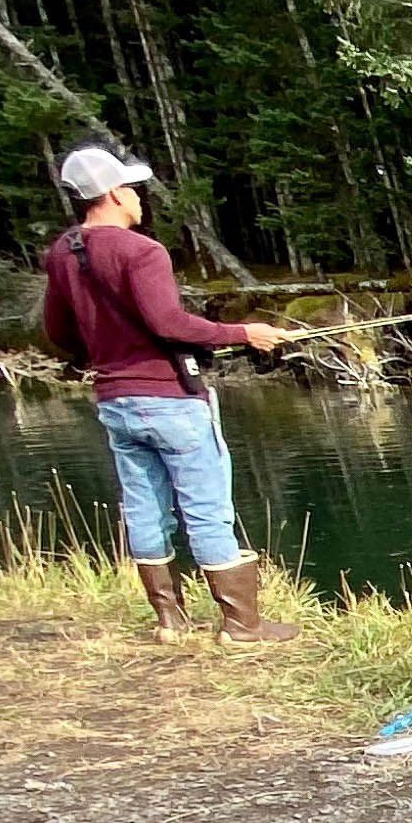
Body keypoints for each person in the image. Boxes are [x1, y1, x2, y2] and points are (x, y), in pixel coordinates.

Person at [35, 143, 297, 643]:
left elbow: (59, 331)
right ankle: (242, 626)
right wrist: (246, 333)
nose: (139, 198)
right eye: (132, 189)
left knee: (143, 507)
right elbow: (168, 322)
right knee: (206, 506)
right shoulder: (142, 251)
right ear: (112, 193)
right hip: (171, 398)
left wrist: (105, 352)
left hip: (115, 401)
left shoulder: (63, 252)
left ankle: (169, 622)